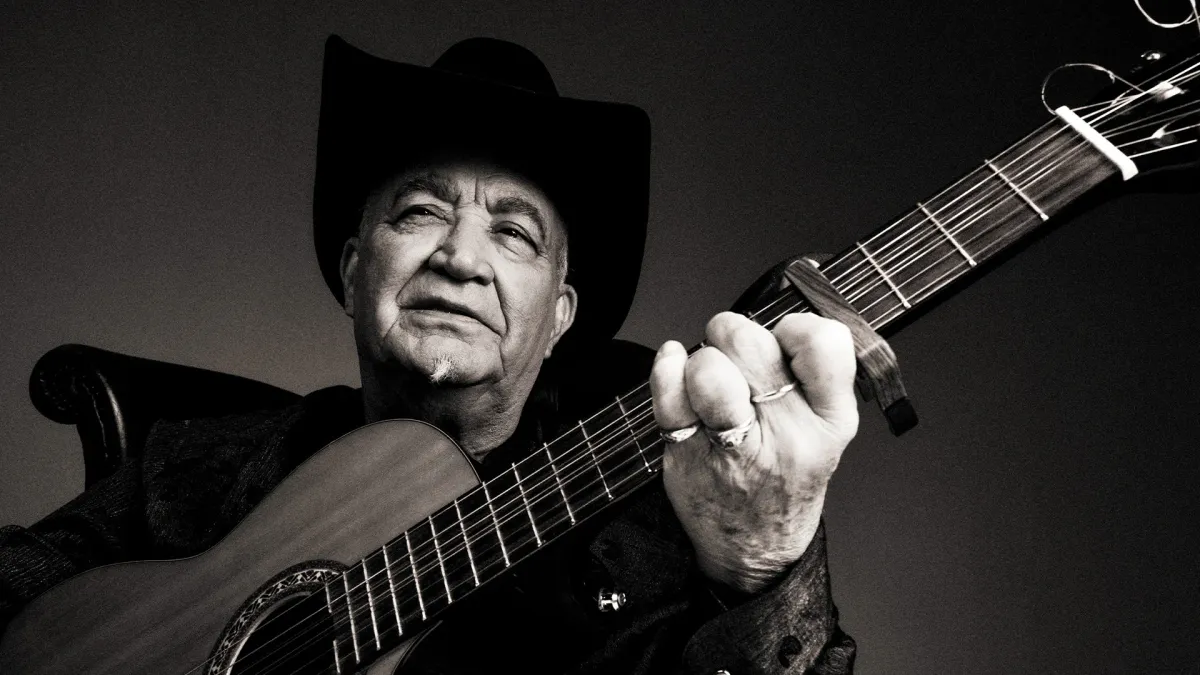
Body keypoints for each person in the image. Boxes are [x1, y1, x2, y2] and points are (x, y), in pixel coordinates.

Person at [0, 36, 860, 674]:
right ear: (353, 273)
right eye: (420, 213)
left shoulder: (663, 522)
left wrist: (759, 560)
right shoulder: (194, 461)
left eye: (514, 234)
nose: (461, 257)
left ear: (559, 317)